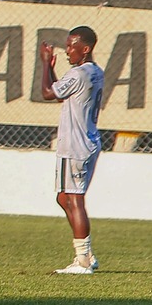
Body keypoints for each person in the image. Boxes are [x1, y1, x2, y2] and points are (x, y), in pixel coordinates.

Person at [39, 26, 105, 275]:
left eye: (71, 46)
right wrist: (54, 69)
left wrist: (45, 64)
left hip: (75, 144)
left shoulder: (78, 74)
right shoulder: (95, 71)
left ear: (85, 48)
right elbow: (60, 94)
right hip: (87, 141)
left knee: (74, 199)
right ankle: (86, 254)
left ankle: (83, 259)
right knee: (64, 197)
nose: (67, 51)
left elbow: (47, 92)